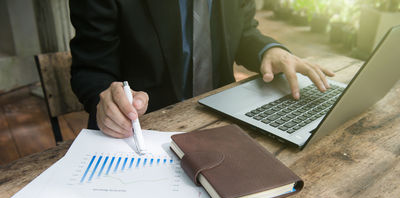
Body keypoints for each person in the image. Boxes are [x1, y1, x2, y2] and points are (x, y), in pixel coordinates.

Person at [69, 0, 334, 139]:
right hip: (144, 131)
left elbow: (243, 33)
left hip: (221, 122)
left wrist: (270, 50)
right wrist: (103, 97)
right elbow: (91, 69)